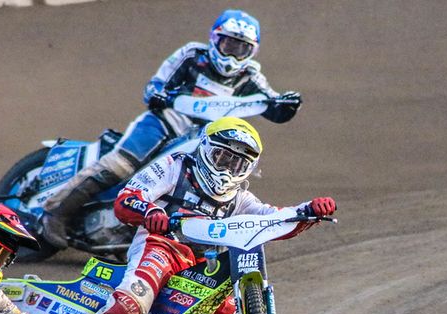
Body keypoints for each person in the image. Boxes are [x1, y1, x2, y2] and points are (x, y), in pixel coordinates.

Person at [66, 117, 336, 314]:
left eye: (237, 163)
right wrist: (151, 212)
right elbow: (127, 199)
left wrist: (309, 211)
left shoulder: (241, 200)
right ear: (206, 150)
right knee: (133, 303)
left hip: (200, 271)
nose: (227, 168)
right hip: (161, 247)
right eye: (222, 157)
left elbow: (275, 219)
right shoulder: (175, 166)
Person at [39, 8, 303, 249]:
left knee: (207, 185)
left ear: (252, 52)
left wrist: (287, 105)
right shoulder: (193, 55)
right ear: (215, 39)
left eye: (241, 48)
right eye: (229, 44)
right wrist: (162, 96)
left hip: (205, 142)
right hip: (164, 122)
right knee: (122, 164)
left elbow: (272, 106)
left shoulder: (252, 77)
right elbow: (154, 87)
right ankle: (56, 212)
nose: (233, 54)